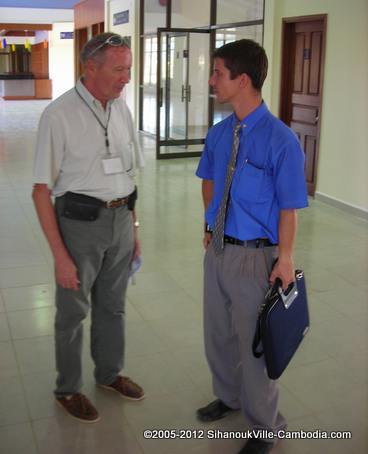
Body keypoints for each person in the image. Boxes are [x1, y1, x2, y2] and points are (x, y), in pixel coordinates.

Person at [195, 39, 308, 454]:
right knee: (218, 334)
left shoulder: (281, 141)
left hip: (256, 255)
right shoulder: (220, 132)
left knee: (255, 345)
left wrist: (286, 258)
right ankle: (228, 396)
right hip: (219, 248)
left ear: (242, 80)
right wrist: (209, 224)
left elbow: (291, 208)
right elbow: (209, 179)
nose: (211, 80)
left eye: (218, 73)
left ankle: (264, 426)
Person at [32, 32, 145, 423]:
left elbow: (128, 176)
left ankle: (110, 374)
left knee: (113, 308)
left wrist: (134, 229)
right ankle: (68, 388)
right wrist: (60, 256)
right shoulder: (59, 115)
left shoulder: (122, 110)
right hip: (78, 225)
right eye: (119, 69)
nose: (126, 77)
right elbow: (40, 191)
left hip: (120, 220)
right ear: (90, 68)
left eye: (129, 68)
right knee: (72, 313)